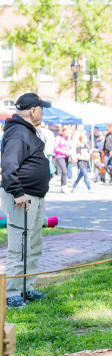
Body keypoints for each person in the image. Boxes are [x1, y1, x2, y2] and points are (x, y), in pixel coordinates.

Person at [0, 93, 52, 308]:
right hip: (22, 196)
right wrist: (18, 192)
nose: (42, 113)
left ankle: (27, 287)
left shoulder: (27, 131)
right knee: (19, 245)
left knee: (32, 244)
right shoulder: (19, 132)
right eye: (41, 109)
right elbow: (9, 166)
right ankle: (12, 292)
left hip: (33, 196)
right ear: (33, 110)